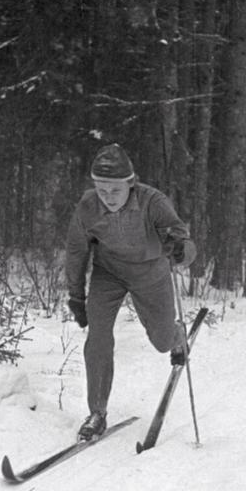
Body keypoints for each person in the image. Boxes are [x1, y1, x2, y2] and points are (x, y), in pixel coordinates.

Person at [66, 143, 196, 441]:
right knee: (97, 337)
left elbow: (185, 241)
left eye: (115, 190)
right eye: (102, 190)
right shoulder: (88, 206)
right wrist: (76, 295)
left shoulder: (153, 201)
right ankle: (97, 412)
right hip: (108, 273)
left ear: (130, 184)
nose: (108, 197)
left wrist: (180, 250)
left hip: (150, 272)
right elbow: (76, 251)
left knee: (162, 342)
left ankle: (176, 336)